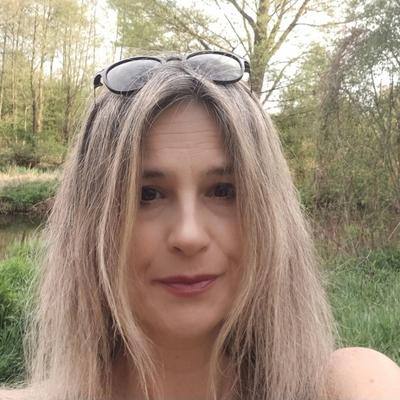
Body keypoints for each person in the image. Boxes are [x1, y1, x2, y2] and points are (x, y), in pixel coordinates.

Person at [1, 51, 399, 400]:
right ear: (90, 227)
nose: (188, 235)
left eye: (223, 190)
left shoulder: (348, 385)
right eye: (147, 194)